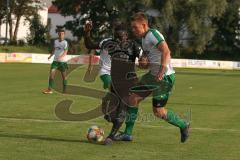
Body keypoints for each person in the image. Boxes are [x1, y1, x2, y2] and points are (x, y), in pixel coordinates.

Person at [116, 12, 190, 143]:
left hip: (164, 78)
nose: (133, 30)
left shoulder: (153, 34)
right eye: (132, 27)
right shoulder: (144, 39)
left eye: (135, 27)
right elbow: (148, 60)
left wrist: (162, 71)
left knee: (158, 112)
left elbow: (166, 51)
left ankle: (183, 125)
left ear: (144, 25)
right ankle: (127, 134)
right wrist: (144, 64)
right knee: (132, 98)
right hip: (152, 76)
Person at [84, 21, 142, 145]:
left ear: (126, 35)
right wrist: (87, 32)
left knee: (125, 104)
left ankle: (114, 130)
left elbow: (144, 59)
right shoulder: (107, 42)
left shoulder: (133, 45)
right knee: (118, 102)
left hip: (126, 79)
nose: (119, 39)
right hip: (107, 73)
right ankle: (113, 123)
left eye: (121, 36)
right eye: (117, 36)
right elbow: (89, 45)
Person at [42, 27, 68, 94]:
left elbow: (65, 52)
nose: (60, 35)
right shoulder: (55, 41)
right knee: (51, 75)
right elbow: (54, 49)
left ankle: (64, 90)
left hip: (62, 62)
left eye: (62, 34)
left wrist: (61, 57)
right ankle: (49, 90)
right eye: (59, 34)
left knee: (64, 77)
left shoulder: (65, 43)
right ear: (58, 34)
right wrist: (50, 56)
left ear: (64, 35)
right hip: (55, 62)